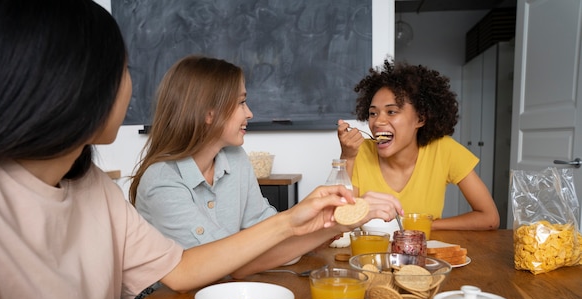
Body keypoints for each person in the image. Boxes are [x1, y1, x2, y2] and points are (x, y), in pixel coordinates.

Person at [0, 1, 402, 299]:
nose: (131, 86)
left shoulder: (92, 188)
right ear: (73, 81)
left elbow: (182, 268)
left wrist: (300, 219)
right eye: (124, 69)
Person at [129, 55, 404, 273]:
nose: (249, 113)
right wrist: (315, 223)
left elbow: (272, 239)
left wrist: (336, 224)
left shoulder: (235, 160)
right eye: (241, 102)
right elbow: (230, 265)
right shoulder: (161, 181)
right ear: (208, 113)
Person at [337, 60, 500, 231]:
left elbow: (489, 218)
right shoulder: (358, 152)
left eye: (391, 111)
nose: (378, 121)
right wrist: (347, 157)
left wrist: (423, 226)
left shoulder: (444, 150)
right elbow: (339, 221)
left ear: (420, 119)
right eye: (373, 113)